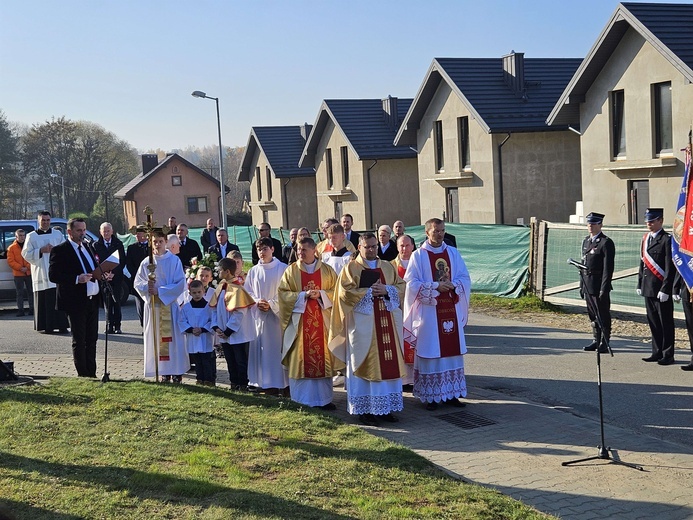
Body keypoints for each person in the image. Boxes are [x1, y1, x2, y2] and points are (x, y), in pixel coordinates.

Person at [329, 232, 406, 426]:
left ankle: (385, 407)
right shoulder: (351, 268)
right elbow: (344, 294)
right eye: (367, 247)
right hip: (363, 327)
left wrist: (387, 290)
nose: (371, 250)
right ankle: (365, 410)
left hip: (387, 324)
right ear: (359, 248)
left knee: (388, 364)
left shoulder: (387, 267)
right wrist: (370, 292)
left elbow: (402, 286)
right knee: (363, 365)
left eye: (374, 246)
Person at [403, 218, 471, 410]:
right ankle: (431, 397)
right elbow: (411, 284)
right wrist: (435, 286)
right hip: (430, 313)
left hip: (450, 308)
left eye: (442, 230)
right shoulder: (418, 256)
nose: (439, 234)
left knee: (451, 352)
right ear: (427, 232)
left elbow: (465, 278)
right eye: (435, 231)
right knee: (431, 351)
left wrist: (454, 285)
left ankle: (451, 394)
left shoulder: (453, 253)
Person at [278, 236, 340, 409]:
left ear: (314, 251)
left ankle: (324, 400)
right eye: (298, 249)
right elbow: (283, 294)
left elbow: (336, 292)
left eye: (304, 250)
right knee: (301, 360)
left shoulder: (327, 271)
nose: (300, 253)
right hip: (300, 325)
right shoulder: (291, 271)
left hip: (322, 323)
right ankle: (302, 400)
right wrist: (302, 296)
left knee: (322, 360)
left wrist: (321, 294)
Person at [48, 218, 106, 378]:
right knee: (79, 340)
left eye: (84, 230)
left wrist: (103, 273)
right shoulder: (60, 250)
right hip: (75, 301)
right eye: (79, 231)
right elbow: (53, 275)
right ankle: (83, 375)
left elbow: (93, 268)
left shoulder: (87, 246)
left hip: (92, 300)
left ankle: (92, 373)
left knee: (92, 339)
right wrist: (76, 278)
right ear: (69, 232)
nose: (83, 233)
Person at [134, 231, 189, 383]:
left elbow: (180, 283)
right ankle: (163, 371)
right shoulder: (146, 262)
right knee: (156, 339)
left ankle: (176, 371)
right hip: (154, 306)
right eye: (154, 242)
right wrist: (147, 286)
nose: (157, 245)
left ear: (165, 242)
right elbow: (137, 283)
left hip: (170, 306)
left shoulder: (174, 260)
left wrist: (161, 291)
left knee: (173, 340)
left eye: (160, 241)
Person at [244, 237, 289, 395]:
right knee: (263, 351)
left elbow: (287, 292)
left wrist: (271, 304)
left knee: (277, 351)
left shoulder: (283, 268)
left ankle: (284, 385)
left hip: (277, 319)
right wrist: (257, 302)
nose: (261, 252)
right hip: (259, 317)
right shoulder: (253, 271)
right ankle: (267, 384)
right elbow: (247, 292)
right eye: (259, 249)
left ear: (272, 249)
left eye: (264, 249)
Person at [210, 257, 256, 390]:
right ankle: (233, 382)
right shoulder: (220, 287)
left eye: (220, 270)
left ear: (227, 272)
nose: (218, 272)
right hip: (223, 333)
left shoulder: (238, 290)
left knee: (240, 361)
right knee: (230, 360)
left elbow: (239, 313)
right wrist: (216, 326)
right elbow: (213, 308)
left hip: (237, 334)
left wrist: (228, 330)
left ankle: (242, 384)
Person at [637, 208, 676, 365]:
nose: (649, 223)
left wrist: (666, 289)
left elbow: (670, 267)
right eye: (647, 221)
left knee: (665, 322)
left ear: (660, 220)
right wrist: (640, 283)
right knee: (653, 321)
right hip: (648, 286)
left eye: (652, 221)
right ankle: (656, 351)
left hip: (661, 288)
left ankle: (668, 354)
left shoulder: (667, 239)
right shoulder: (646, 238)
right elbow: (642, 263)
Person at [22, 211, 69, 334]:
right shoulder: (31, 236)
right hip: (41, 272)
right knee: (45, 300)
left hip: (56, 272)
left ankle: (62, 325)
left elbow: (66, 249)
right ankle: (47, 326)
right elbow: (25, 254)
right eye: (43, 220)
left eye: (48, 220)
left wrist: (55, 251)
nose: (46, 222)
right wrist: (41, 250)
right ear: (38, 221)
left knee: (58, 298)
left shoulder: (57, 234)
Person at [579, 212, 615, 353]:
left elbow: (608, 269)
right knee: (592, 315)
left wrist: (604, 288)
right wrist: (582, 286)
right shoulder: (586, 241)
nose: (590, 226)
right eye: (589, 223)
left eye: (594, 223)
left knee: (602, 315)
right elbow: (583, 265)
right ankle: (596, 339)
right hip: (588, 283)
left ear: (600, 225)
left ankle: (605, 342)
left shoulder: (606, 242)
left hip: (599, 284)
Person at [180, 280, 215, 386]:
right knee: (197, 360)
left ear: (204, 291)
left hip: (205, 338)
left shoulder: (209, 307)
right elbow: (182, 321)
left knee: (207, 360)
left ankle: (209, 380)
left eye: (199, 292)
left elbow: (212, 321)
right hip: (193, 338)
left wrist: (202, 329)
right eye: (194, 293)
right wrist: (191, 329)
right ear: (189, 293)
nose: (197, 295)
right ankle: (199, 379)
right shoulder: (186, 307)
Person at [392, 234, 416, 389]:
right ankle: (403, 379)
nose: (404, 249)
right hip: (399, 310)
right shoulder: (390, 266)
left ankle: (416, 377)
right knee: (400, 343)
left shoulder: (418, 263)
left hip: (416, 311)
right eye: (401, 245)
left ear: (413, 246)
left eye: (407, 245)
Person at [93, 222, 126, 335]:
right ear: (100, 232)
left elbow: (122, 261)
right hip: (103, 278)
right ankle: (109, 325)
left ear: (112, 232)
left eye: (108, 231)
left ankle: (117, 325)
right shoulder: (96, 245)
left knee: (116, 302)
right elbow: (95, 261)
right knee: (107, 303)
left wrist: (113, 274)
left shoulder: (118, 244)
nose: (106, 233)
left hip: (116, 278)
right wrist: (104, 274)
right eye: (104, 231)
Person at [7, 229, 34, 317]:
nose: (22, 237)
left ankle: (32, 309)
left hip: (28, 273)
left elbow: (32, 257)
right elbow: (10, 261)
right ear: (16, 237)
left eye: (23, 235)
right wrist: (20, 268)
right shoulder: (11, 248)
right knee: (19, 293)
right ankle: (20, 310)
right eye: (20, 236)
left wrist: (27, 267)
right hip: (18, 274)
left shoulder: (28, 245)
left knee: (31, 292)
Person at [126, 227, 149, 327]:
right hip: (138, 279)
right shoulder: (132, 248)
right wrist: (138, 275)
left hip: (151, 279)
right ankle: (143, 325)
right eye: (136, 234)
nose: (137, 236)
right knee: (140, 304)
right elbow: (129, 264)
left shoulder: (151, 247)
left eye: (139, 233)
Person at [673, 272, 693, 371]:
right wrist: (676, 288)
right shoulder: (687, 254)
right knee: (691, 327)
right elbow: (680, 266)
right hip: (687, 291)